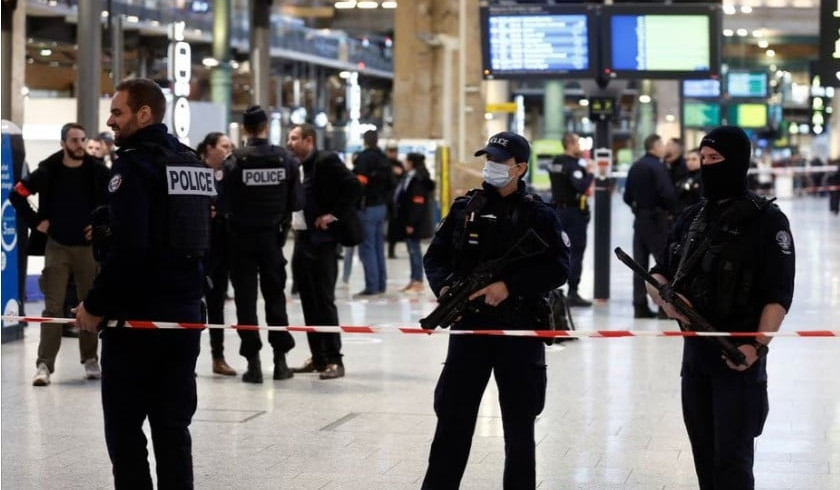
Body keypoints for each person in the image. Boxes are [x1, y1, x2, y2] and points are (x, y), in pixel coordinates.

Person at [75, 78, 213, 488]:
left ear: (144, 114)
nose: (110, 121)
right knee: (173, 429)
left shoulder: (134, 165)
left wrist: (93, 306)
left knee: (125, 432)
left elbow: (129, 252)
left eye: (117, 112)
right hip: (185, 316)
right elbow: (204, 237)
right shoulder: (191, 162)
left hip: (137, 322)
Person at [647, 126, 795, 489]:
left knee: (733, 464)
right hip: (695, 361)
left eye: (715, 158)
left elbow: (779, 295)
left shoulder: (767, 221)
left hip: (738, 359)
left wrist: (756, 345)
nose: (706, 166)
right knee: (704, 459)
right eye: (702, 158)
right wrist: (667, 300)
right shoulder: (692, 217)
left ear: (738, 162)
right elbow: (657, 273)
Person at [421, 131, 570, 489]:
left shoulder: (538, 215)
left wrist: (509, 286)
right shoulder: (464, 209)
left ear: (520, 168)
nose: (491, 166)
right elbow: (435, 257)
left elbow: (559, 268)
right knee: (452, 421)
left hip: (519, 328)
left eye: (499, 161)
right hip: (470, 328)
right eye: (487, 159)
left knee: (519, 428)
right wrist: (445, 288)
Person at [10, 122, 109, 386]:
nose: (80, 145)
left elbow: (116, 201)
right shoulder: (48, 169)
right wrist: (36, 222)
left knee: (90, 304)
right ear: (63, 143)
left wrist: (100, 228)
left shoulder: (98, 171)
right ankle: (44, 365)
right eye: (74, 140)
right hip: (56, 246)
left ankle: (90, 359)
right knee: (53, 307)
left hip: (88, 249)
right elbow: (17, 194)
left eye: (82, 139)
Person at [222, 105, 301, 384]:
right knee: (275, 298)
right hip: (272, 239)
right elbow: (295, 203)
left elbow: (224, 204)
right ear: (266, 127)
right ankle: (280, 362)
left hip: (241, 240)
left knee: (245, 302)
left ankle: (253, 364)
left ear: (245, 129)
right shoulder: (286, 159)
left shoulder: (234, 160)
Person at [286, 123, 361, 380]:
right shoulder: (298, 166)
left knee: (323, 301)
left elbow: (353, 186)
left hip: (323, 243)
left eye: (294, 138)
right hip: (303, 240)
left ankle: (334, 360)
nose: (289, 143)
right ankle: (318, 357)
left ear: (309, 140)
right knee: (308, 300)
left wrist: (333, 215)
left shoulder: (326, 161)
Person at [623, 134, 676, 318]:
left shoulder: (636, 166)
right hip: (656, 219)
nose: (664, 148)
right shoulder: (658, 167)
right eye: (662, 144)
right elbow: (667, 193)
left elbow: (627, 196)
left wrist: (638, 208)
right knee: (662, 264)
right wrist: (673, 211)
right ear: (655, 146)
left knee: (639, 264)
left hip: (640, 219)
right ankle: (664, 308)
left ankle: (640, 306)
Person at [196, 131, 236, 376]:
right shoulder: (196, 171)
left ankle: (218, 357)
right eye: (224, 146)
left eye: (230, 146)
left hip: (222, 247)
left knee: (216, 304)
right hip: (197, 248)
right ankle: (187, 359)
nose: (228, 151)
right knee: (191, 304)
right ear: (210, 148)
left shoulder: (231, 173)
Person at [546, 132, 595, 307]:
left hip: (557, 211)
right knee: (576, 250)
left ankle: (551, 291)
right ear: (569, 145)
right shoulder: (573, 165)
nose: (580, 146)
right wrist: (590, 173)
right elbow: (581, 186)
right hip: (573, 213)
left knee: (556, 250)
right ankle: (572, 292)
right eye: (577, 143)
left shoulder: (555, 162)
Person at [353, 130, 392, 296]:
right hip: (381, 207)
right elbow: (391, 183)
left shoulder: (364, 158)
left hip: (368, 207)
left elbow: (360, 183)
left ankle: (372, 285)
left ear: (365, 141)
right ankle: (381, 284)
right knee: (378, 246)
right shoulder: (384, 158)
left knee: (367, 248)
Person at [395, 152, 435, 293]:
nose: (403, 163)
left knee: (415, 251)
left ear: (411, 162)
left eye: (406, 161)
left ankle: (418, 282)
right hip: (409, 221)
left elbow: (417, 203)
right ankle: (413, 280)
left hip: (415, 223)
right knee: (412, 250)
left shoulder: (419, 179)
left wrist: (411, 223)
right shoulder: (410, 177)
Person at [385, 144, 405, 259]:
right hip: (386, 199)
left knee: (394, 226)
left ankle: (391, 250)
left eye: (395, 152)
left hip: (396, 200)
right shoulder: (385, 163)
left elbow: (404, 176)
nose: (393, 154)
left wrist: (401, 173)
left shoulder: (399, 164)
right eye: (391, 151)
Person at [674, 147, 703, 216]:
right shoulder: (684, 176)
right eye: (687, 160)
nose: (690, 162)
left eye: (694, 159)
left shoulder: (704, 177)